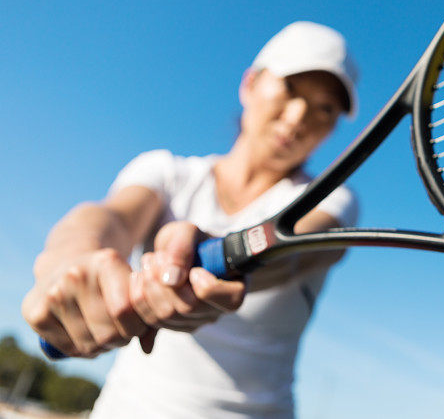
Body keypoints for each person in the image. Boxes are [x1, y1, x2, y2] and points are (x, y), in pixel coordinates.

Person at [22, 21, 360, 418]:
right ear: (250, 84)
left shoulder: (333, 202)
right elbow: (109, 218)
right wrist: (71, 258)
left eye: (325, 108)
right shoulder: (168, 173)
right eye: (291, 88)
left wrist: (216, 254)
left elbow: (295, 251)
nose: (300, 115)